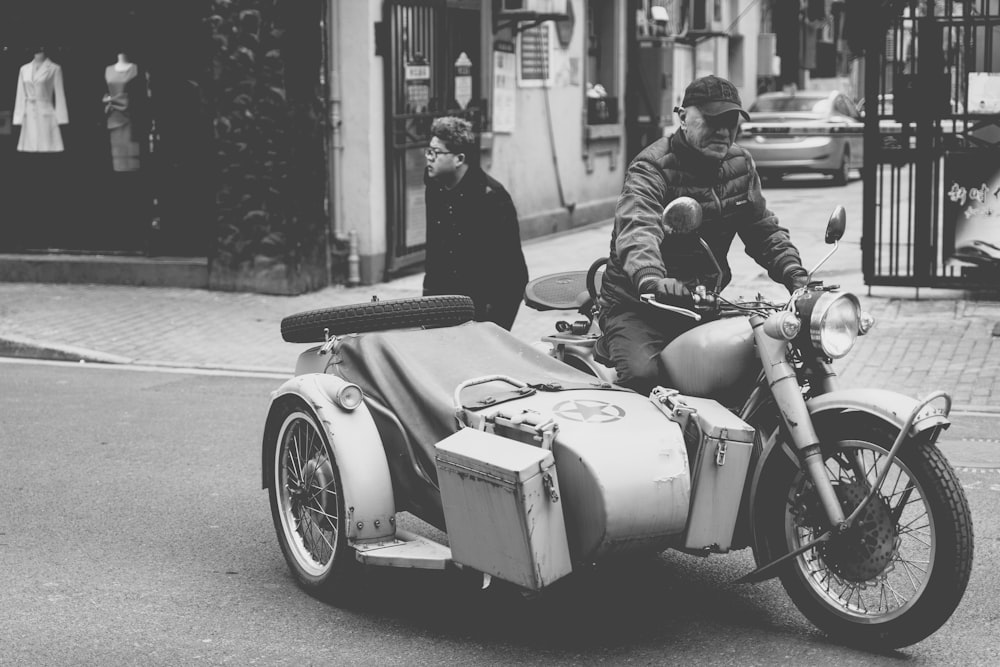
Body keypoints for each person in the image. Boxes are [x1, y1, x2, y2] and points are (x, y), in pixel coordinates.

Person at [598, 75, 809, 395]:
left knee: (751, 367)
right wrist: (652, 279)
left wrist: (795, 273)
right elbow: (638, 226)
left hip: (703, 300)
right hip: (640, 305)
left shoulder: (740, 163)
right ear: (682, 117)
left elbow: (761, 228)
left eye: (730, 121)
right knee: (643, 376)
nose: (723, 131)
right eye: (712, 120)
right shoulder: (652, 166)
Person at [423, 116, 529, 331]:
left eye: (436, 153)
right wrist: (427, 303)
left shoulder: (492, 198)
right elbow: (435, 252)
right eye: (428, 151)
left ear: (459, 158)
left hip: (484, 309)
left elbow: (513, 274)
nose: (429, 158)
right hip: (443, 305)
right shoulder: (435, 189)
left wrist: (493, 324)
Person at [13, 46, 68, 152]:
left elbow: (60, 95)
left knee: (46, 147)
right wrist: (18, 117)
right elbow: (20, 95)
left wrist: (62, 118)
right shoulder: (24, 69)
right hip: (28, 114)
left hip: (46, 113)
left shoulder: (54, 68)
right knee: (29, 149)